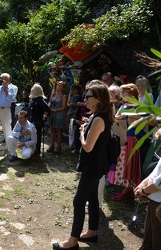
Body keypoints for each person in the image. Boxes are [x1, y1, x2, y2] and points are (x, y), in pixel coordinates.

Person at [53, 80, 114, 250]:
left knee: (78, 202)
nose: (85, 99)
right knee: (92, 198)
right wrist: (88, 126)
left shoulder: (99, 119)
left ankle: (72, 242)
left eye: (88, 97)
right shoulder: (98, 116)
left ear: (99, 99)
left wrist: (81, 134)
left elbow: (87, 146)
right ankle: (92, 231)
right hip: (96, 165)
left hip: (92, 167)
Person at [112, 83, 144, 201]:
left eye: (123, 92)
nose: (121, 95)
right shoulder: (123, 106)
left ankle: (128, 190)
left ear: (131, 93)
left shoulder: (138, 106)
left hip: (134, 137)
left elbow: (147, 120)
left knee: (130, 164)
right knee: (124, 164)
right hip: (124, 136)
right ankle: (127, 188)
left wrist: (130, 115)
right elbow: (116, 118)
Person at [134, 151, 161, 250]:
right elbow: (157, 171)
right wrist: (143, 184)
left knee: (158, 240)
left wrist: (144, 191)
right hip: (155, 199)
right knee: (150, 235)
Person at [0, 73, 15, 156]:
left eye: (2, 79)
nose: (1, 80)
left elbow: (10, 98)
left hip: (6, 110)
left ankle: (10, 149)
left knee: (7, 130)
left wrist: (5, 88)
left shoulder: (13, 87)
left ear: (8, 80)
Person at [27, 84, 50, 155]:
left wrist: (44, 116)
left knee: (37, 135)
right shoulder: (34, 99)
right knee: (34, 134)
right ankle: (34, 149)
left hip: (38, 120)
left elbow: (47, 108)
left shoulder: (39, 99)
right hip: (33, 119)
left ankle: (37, 150)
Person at [47, 81, 67, 154]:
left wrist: (55, 110)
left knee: (58, 131)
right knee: (52, 130)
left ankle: (59, 147)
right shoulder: (53, 94)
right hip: (52, 114)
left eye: (61, 85)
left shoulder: (64, 96)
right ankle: (51, 145)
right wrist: (49, 108)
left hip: (59, 114)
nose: (59, 86)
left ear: (63, 88)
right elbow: (50, 102)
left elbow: (63, 107)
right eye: (58, 85)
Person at [67, 85, 84, 151]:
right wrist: (71, 104)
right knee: (71, 129)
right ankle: (70, 144)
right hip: (71, 112)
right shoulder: (70, 95)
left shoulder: (81, 96)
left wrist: (77, 104)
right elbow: (67, 104)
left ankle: (75, 144)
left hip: (77, 113)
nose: (75, 90)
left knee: (75, 129)